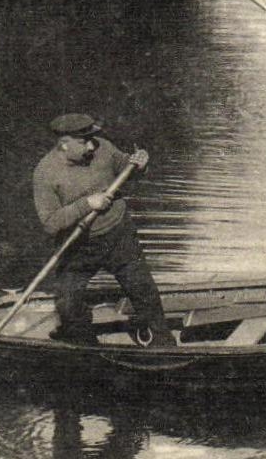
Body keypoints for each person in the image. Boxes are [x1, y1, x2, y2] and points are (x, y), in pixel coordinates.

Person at [32, 113, 174, 348]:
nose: (91, 146)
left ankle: (162, 343)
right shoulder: (45, 173)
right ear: (64, 143)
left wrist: (140, 163)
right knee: (68, 302)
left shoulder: (103, 148)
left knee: (143, 289)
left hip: (119, 235)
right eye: (83, 142)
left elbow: (127, 166)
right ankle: (84, 345)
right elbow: (50, 222)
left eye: (91, 139)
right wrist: (87, 204)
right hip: (79, 245)